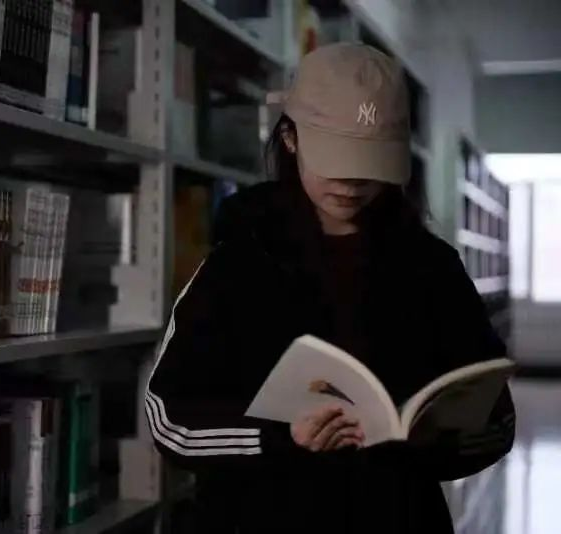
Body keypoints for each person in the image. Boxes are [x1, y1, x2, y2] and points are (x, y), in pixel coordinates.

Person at [145, 43, 515, 533]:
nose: (351, 180)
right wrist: (279, 436)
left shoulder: (434, 268)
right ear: (290, 138)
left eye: (369, 161)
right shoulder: (234, 265)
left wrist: (433, 440)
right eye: (334, 158)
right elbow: (170, 419)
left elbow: (499, 421)